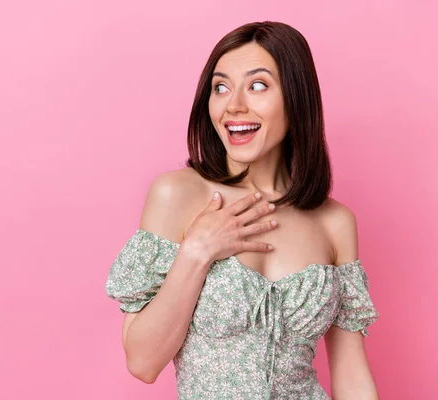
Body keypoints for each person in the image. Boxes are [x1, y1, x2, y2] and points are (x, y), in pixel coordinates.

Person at [105, 21, 379, 400]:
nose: (234, 105)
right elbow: (142, 362)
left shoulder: (335, 222)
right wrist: (197, 251)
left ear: (296, 98)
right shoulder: (178, 195)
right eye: (220, 87)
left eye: (258, 85)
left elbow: (351, 374)